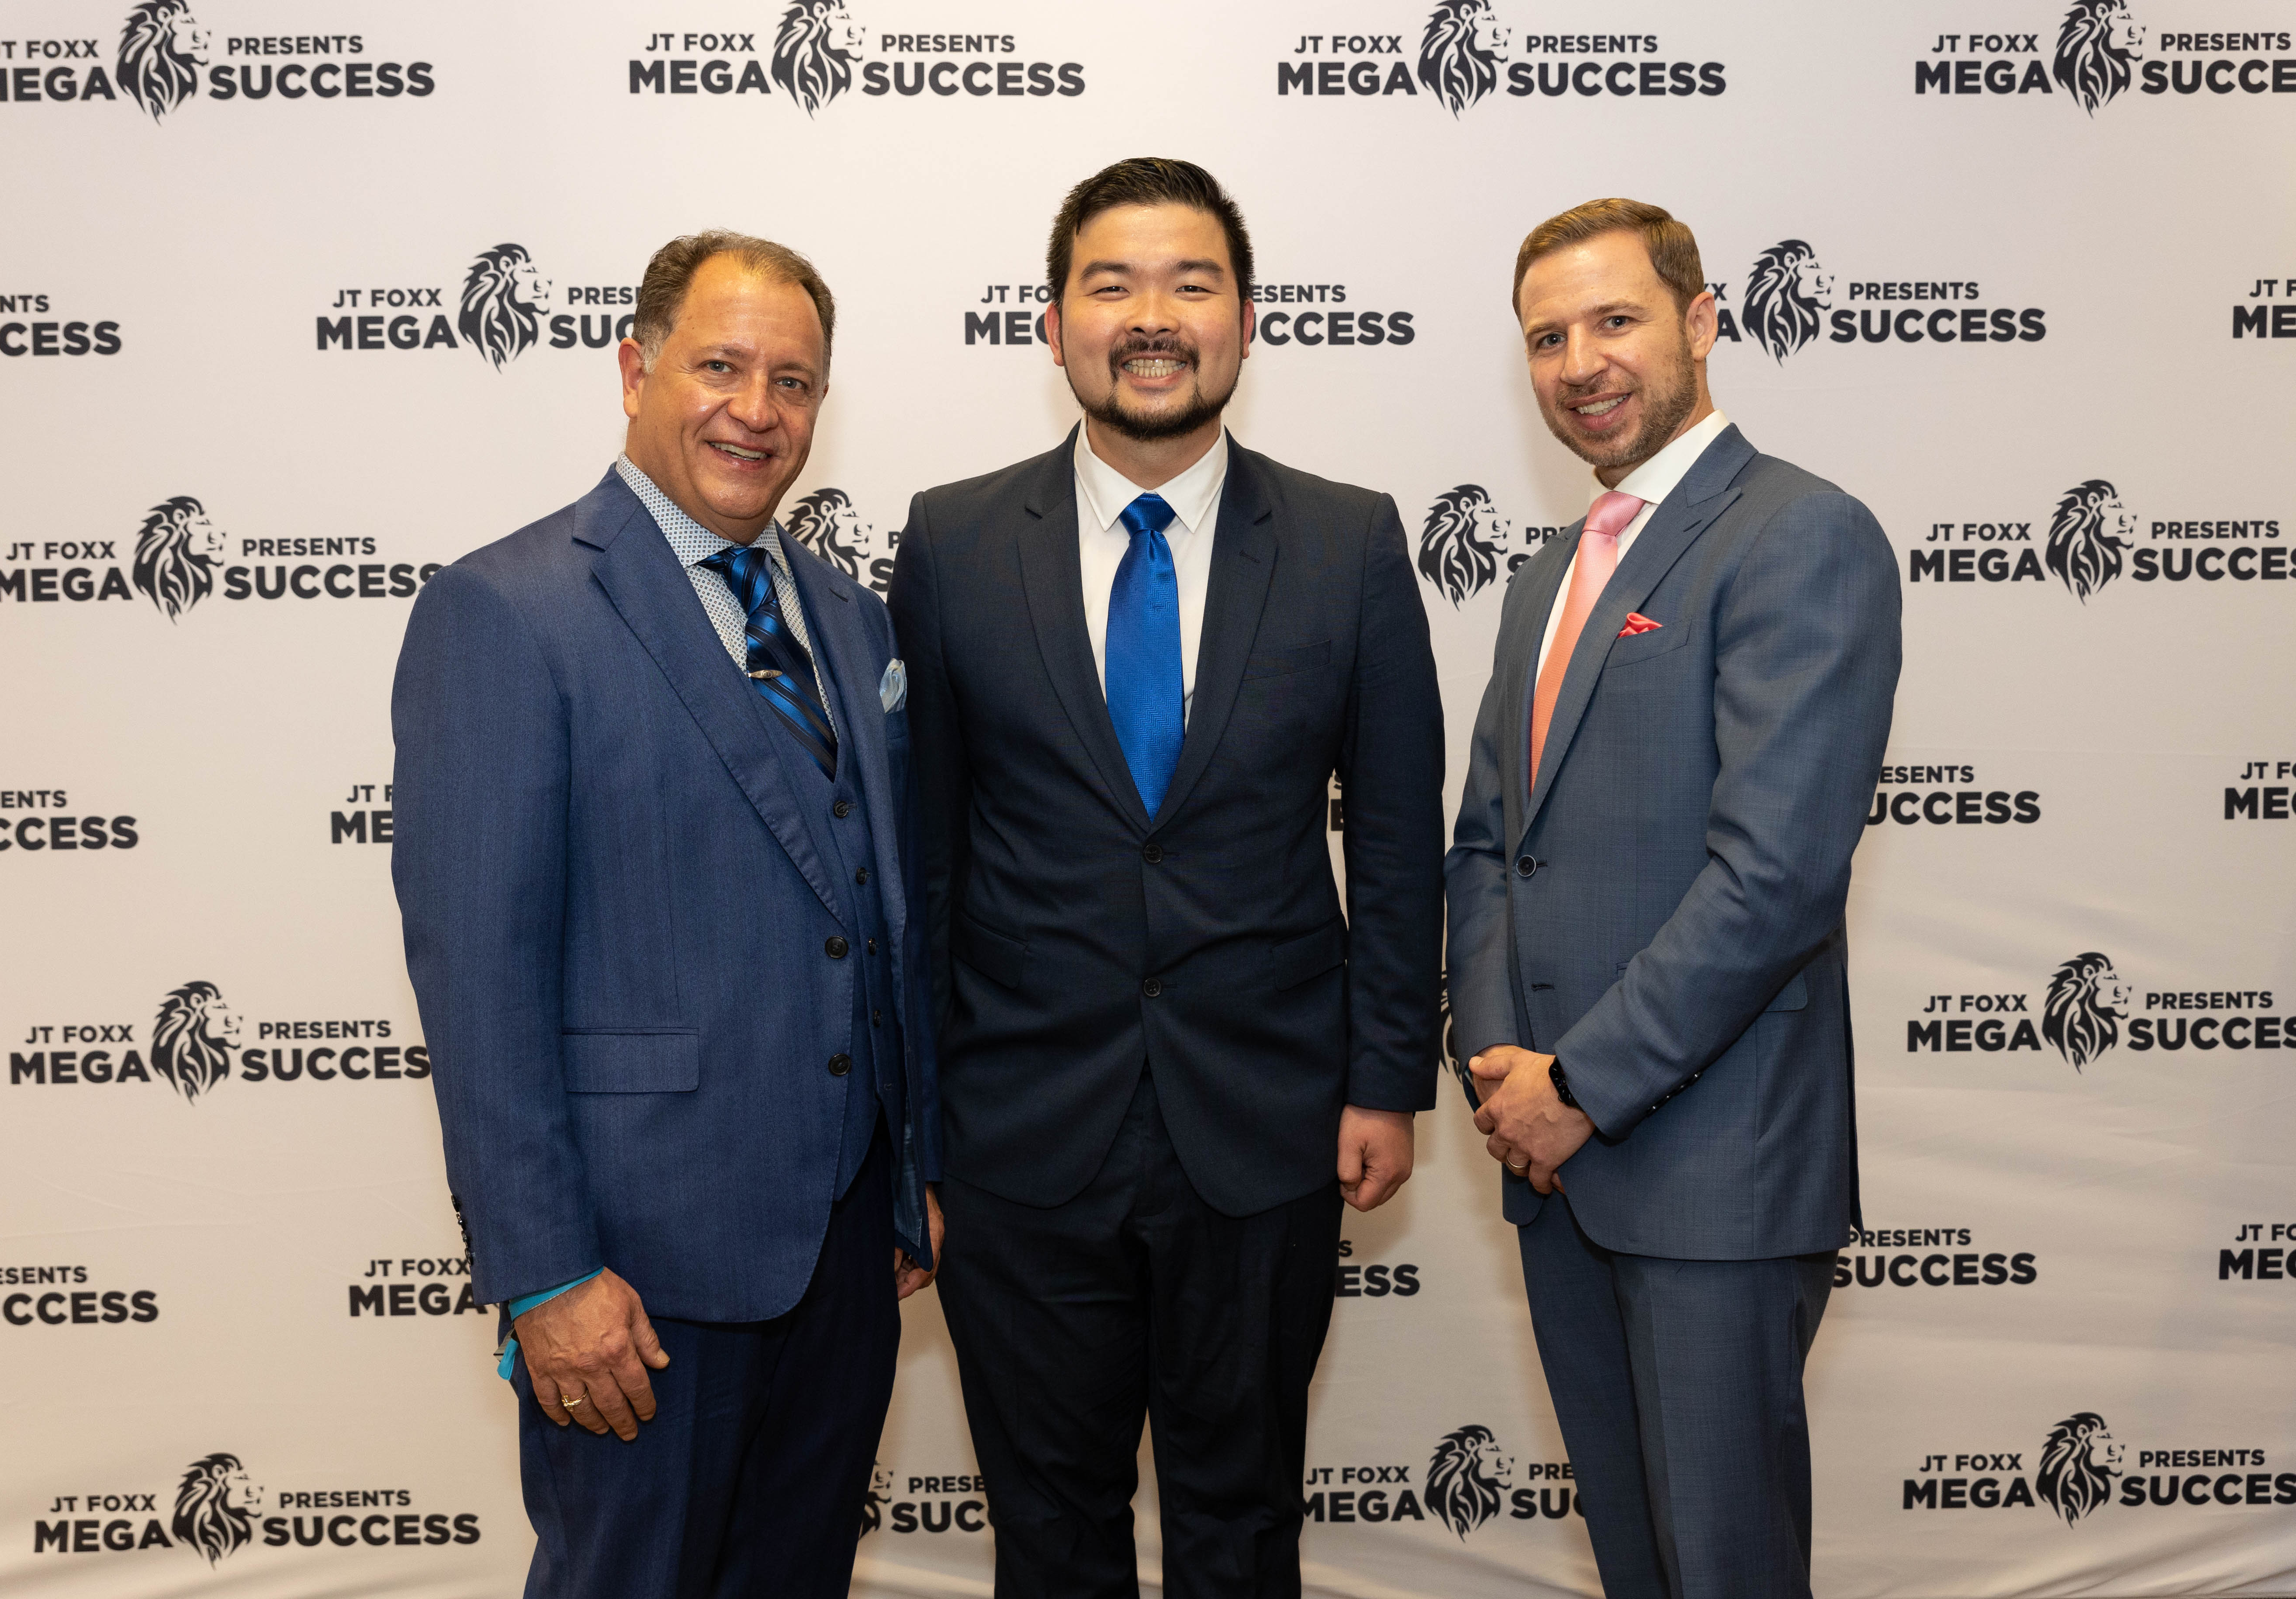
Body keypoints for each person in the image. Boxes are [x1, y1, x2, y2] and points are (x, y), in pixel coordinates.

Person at [887, 157, 1445, 1597]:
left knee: (1241, 1526)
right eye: (1112, 285)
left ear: (1246, 321)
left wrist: (1386, 1080)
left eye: (1192, 284)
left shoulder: (1349, 541)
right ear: (1052, 324)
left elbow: (1396, 840)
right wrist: (917, 1132)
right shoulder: (951, 542)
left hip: (1266, 1127)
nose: (1152, 317)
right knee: (1049, 1535)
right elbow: (923, 859)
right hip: (1017, 1139)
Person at [391, 231, 940, 1599]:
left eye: (793, 382)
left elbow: (875, 914)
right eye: (720, 367)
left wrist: (909, 1178)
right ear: (636, 371)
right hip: (634, 1275)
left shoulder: (852, 620)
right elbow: (480, 977)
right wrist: (544, 1275)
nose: (757, 410)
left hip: (843, 1255)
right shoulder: (505, 611)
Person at [1444, 198, 1901, 1599]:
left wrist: (1582, 1080)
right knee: (1641, 1570)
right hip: (1554, 1162)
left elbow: (1776, 878)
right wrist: (1498, 1065)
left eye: (1616, 321)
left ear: (1701, 324)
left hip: (1711, 1177)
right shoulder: (1548, 572)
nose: (1580, 362)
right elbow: (1490, 846)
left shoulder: (1801, 534)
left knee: (1724, 1570)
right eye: (1547, 338)